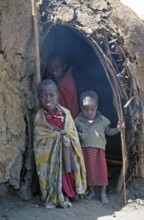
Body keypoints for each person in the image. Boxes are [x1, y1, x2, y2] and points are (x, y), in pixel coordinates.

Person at [34, 79, 86, 209]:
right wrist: (57, 136)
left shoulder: (65, 113)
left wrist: (68, 136)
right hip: (51, 159)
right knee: (57, 173)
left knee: (68, 171)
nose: (48, 99)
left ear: (58, 95)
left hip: (67, 153)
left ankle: (72, 192)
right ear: (39, 97)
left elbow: (71, 132)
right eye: (43, 96)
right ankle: (60, 194)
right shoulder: (40, 118)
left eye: (51, 95)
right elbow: (40, 140)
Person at [75, 90, 121, 205]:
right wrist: (78, 136)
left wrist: (118, 129)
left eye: (92, 109)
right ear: (81, 107)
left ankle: (103, 193)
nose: (89, 112)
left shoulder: (103, 120)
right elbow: (72, 134)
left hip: (99, 151)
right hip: (85, 151)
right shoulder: (77, 120)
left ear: (97, 107)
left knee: (102, 172)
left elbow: (109, 131)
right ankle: (91, 192)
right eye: (86, 109)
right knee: (88, 173)